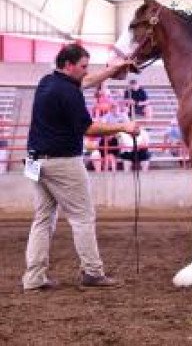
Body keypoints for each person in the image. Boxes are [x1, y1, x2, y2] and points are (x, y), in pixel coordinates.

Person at [22, 43, 139, 292]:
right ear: (69, 65)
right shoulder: (69, 93)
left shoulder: (47, 82)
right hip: (62, 161)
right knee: (82, 217)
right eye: (83, 67)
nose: (87, 72)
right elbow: (88, 128)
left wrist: (112, 70)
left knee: (42, 219)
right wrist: (123, 127)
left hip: (35, 159)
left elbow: (85, 82)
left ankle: (34, 277)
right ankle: (93, 272)